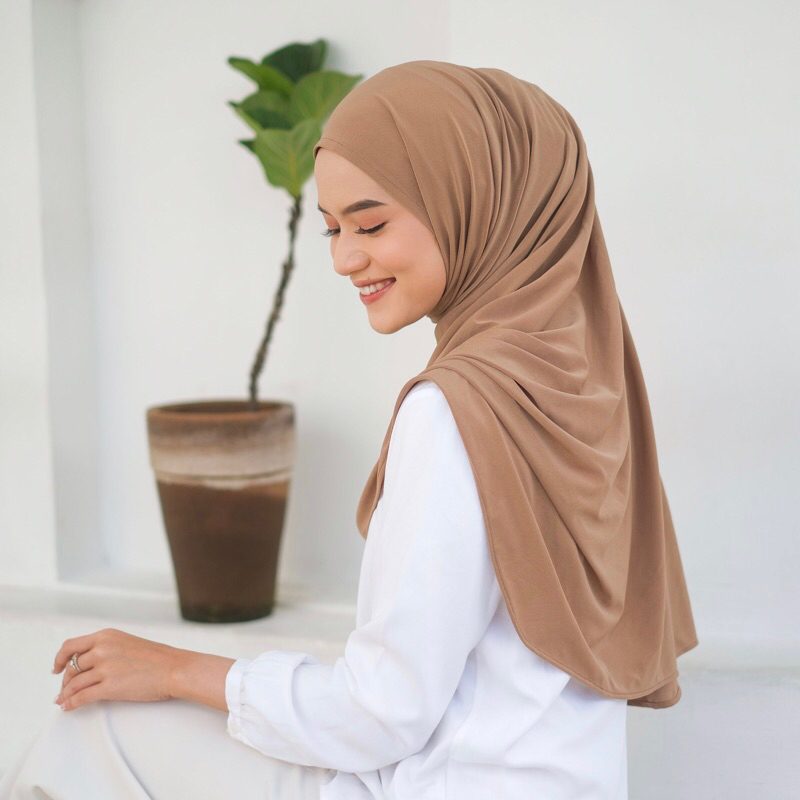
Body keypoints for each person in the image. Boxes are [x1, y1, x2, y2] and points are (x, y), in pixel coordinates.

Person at [0, 59, 697, 799]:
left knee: (94, 730)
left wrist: (173, 668)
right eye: (332, 228)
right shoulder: (583, 385)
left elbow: (382, 713)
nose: (343, 258)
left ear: (475, 199)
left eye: (370, 223)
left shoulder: (458, 409)